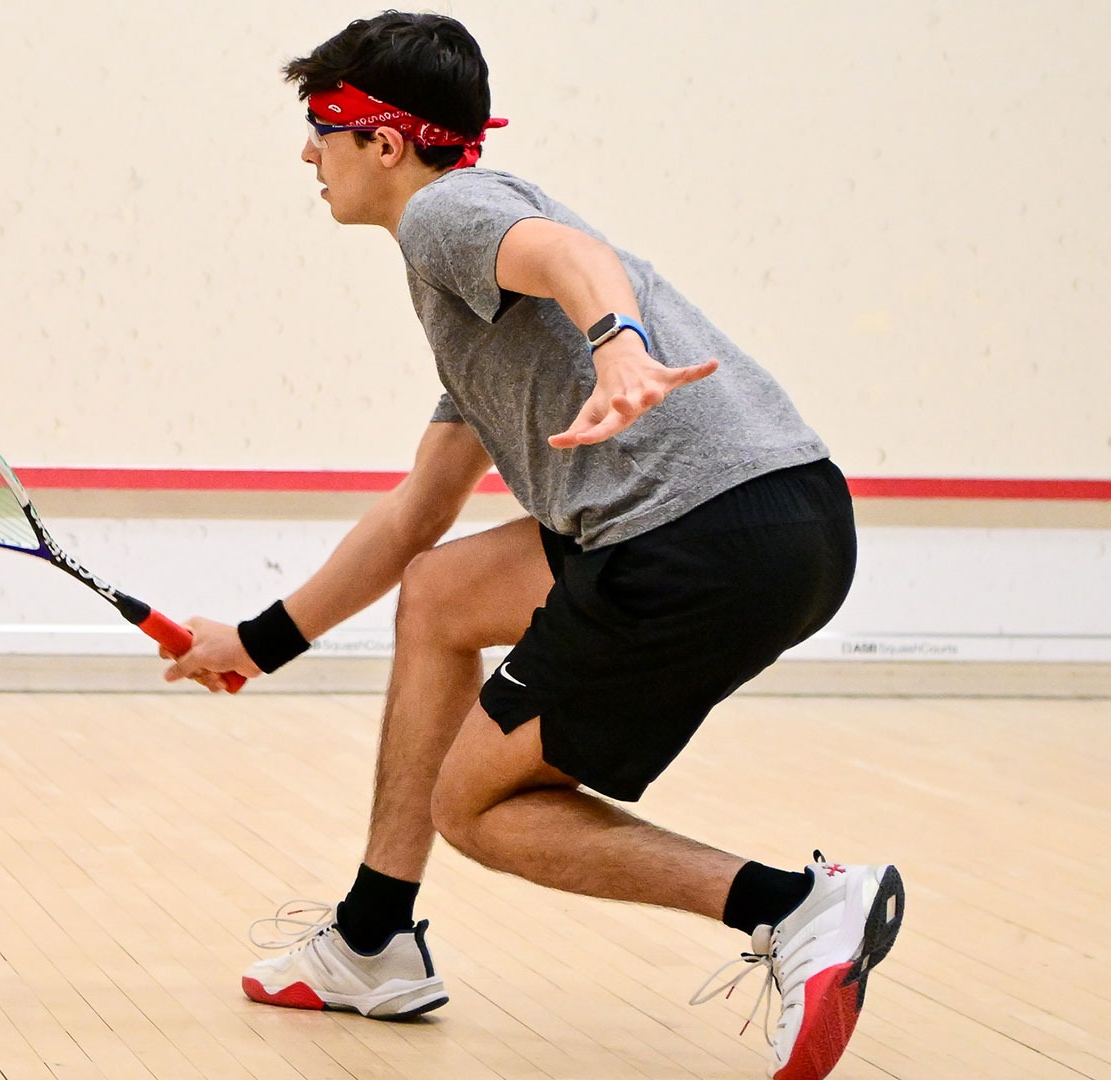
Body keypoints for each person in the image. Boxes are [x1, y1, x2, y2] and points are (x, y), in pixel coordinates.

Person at [163, 11, 904, 1078]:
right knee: (443, 590)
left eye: (321, 127)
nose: (307, 154)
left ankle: (793, 907)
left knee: (475, 807)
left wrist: (620, 346)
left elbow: (570, 257)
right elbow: (416, 516)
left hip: (696, 538)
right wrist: (256, 641)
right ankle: (372, 941)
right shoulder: (470, 300)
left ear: (385, 141)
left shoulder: (449, 213)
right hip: (793, 516)